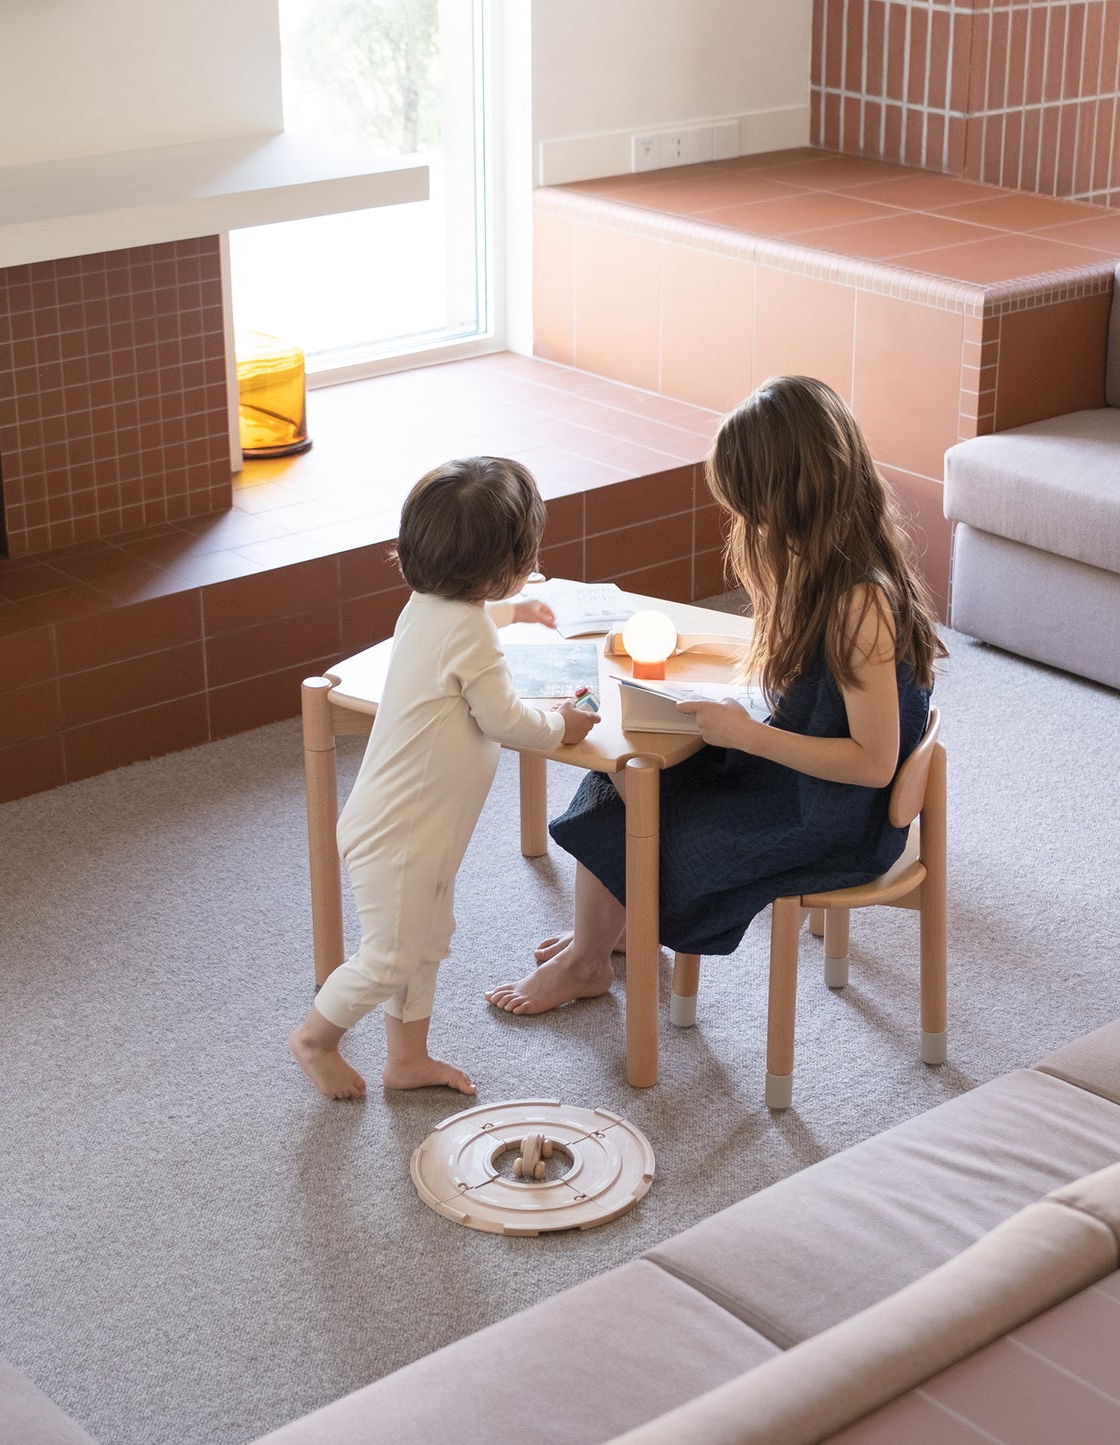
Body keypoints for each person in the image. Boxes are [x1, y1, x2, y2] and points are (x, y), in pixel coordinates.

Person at [485, 376, 942, 1015]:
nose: (746, 522)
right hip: (797, 769)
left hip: (830, 815)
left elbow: (871, 763)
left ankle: (591, 957)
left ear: (792, 495)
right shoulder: (823, 561)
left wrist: (750, 735)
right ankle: (604, 933)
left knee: (655, 821)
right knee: (626, 775)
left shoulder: (859, 602)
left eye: (751, 506)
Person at [290, 456, 599, 1098]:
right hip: (401, 836)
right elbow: (507, 720)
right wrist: (563, 727)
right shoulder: (471, 635)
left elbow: (466, 634)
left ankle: (406, 1060)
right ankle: (315, 1039)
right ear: (508, 567)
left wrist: (512, 615)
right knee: (392, 956)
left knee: (424, 948)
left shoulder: (430, 607)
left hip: (417, 833)